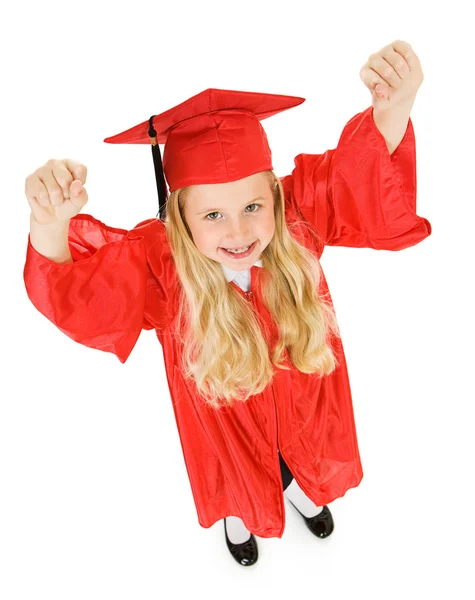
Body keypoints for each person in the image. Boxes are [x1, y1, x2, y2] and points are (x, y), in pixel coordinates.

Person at [23, 87, 431, 568]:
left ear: (276, 199)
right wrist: (48, 224)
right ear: (180, 218)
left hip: (302, 396)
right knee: (236, 475)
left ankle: (301, 492)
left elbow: (351, 178)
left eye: (253, 208)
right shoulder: (161, 265)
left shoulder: (297, 223)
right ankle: (237, 520)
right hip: (223, 412)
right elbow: (82, 295)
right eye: (212, 215)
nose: (238, 233)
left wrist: (393, 111)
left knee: (299, 454)